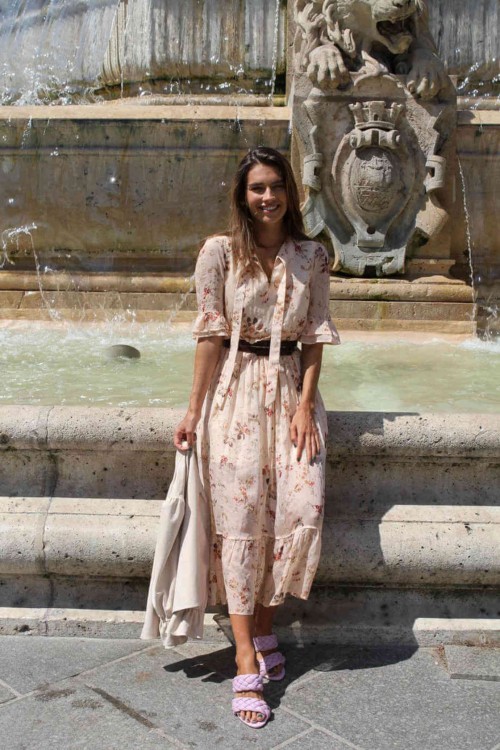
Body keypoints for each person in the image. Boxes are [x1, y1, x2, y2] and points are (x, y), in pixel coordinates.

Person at [174, 146, 340, 728]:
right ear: (243, 197)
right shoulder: (219, 253)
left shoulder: (312, 255)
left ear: (290, 192)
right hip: (236, 393)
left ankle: (266, 626)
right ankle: (246, 652)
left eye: (276, 186)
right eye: (257, 188)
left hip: (291, 391)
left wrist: (305, 405)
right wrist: (193, 411)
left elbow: (315, 335)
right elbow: (209, 335)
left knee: (302, 507)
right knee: (242, 520)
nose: (268, 197)